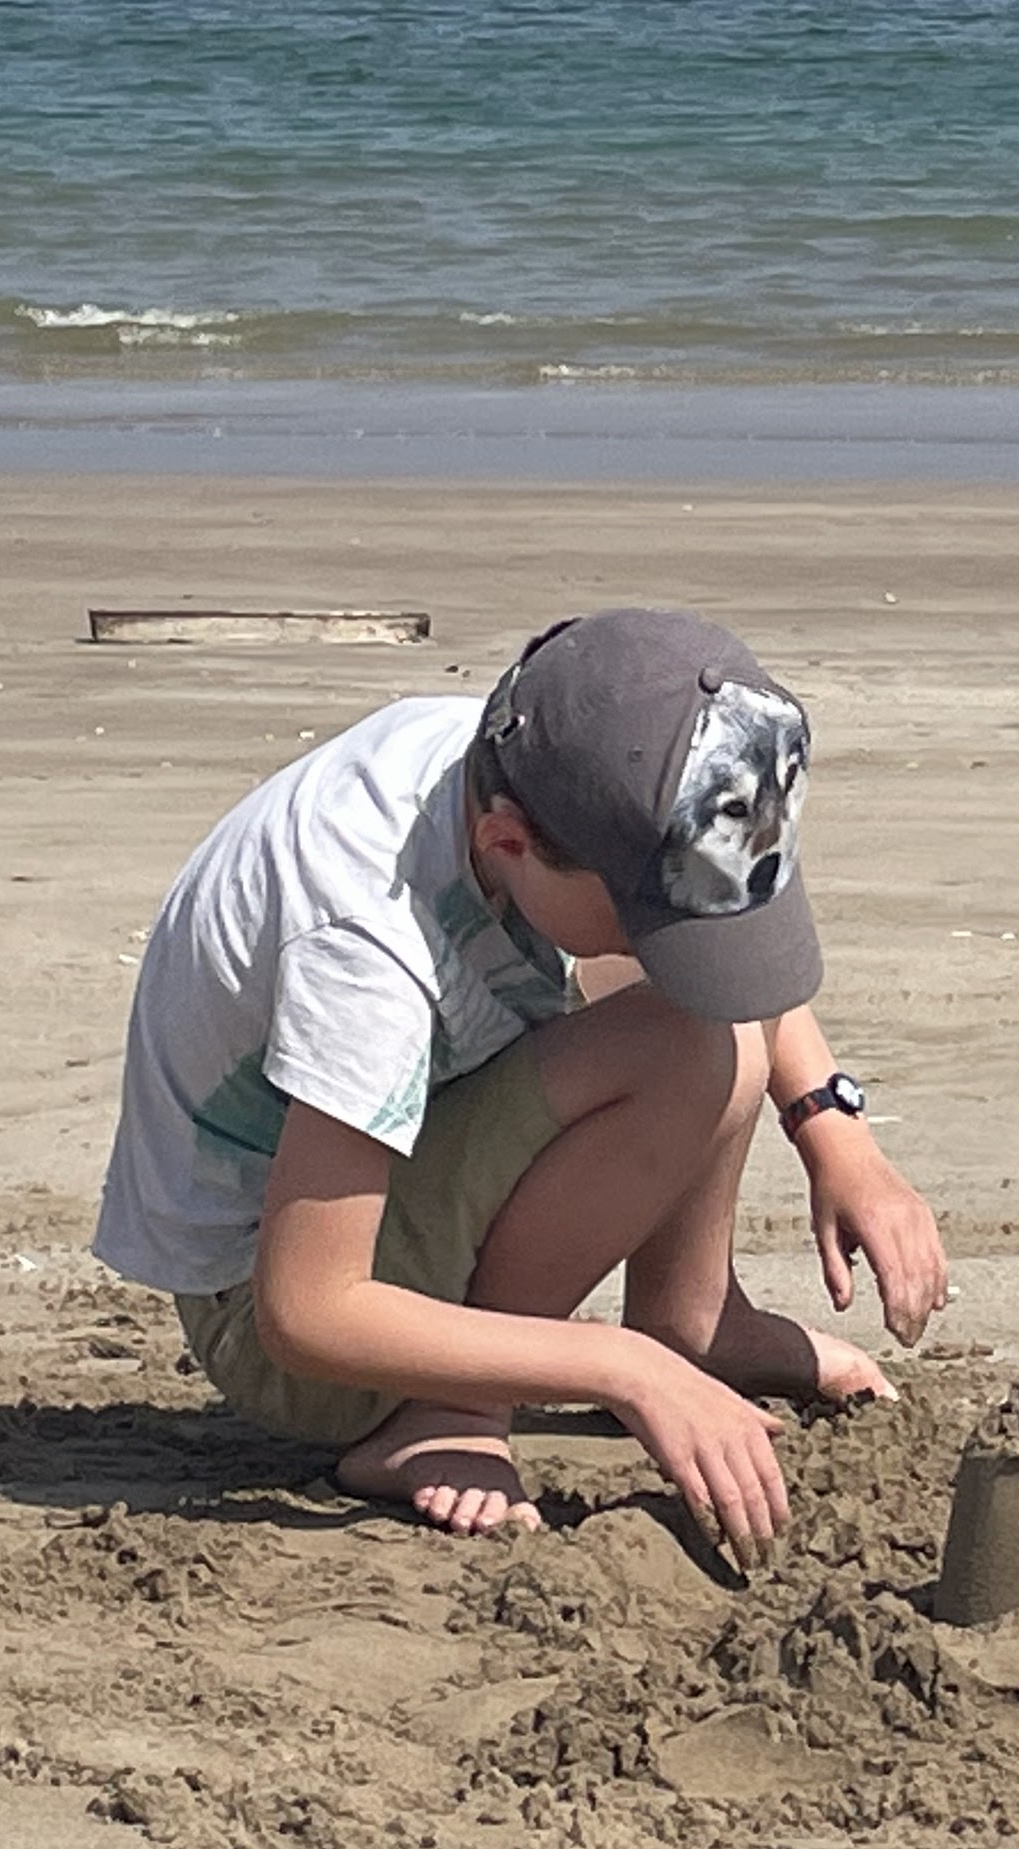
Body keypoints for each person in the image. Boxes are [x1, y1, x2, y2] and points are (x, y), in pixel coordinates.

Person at [90, 608, 950, 1554]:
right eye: (653, 922)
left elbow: (727, 935)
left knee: (710, 1013)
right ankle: (452, 1407)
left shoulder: (540, 752)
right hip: (280, 1323)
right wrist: (615, 1367)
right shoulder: (365, 951)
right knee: (688, 1042)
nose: (673, 945)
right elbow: (307, 1311)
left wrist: (834, 1131)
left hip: (403, 1149)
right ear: (506, 844)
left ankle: (693, 1317)